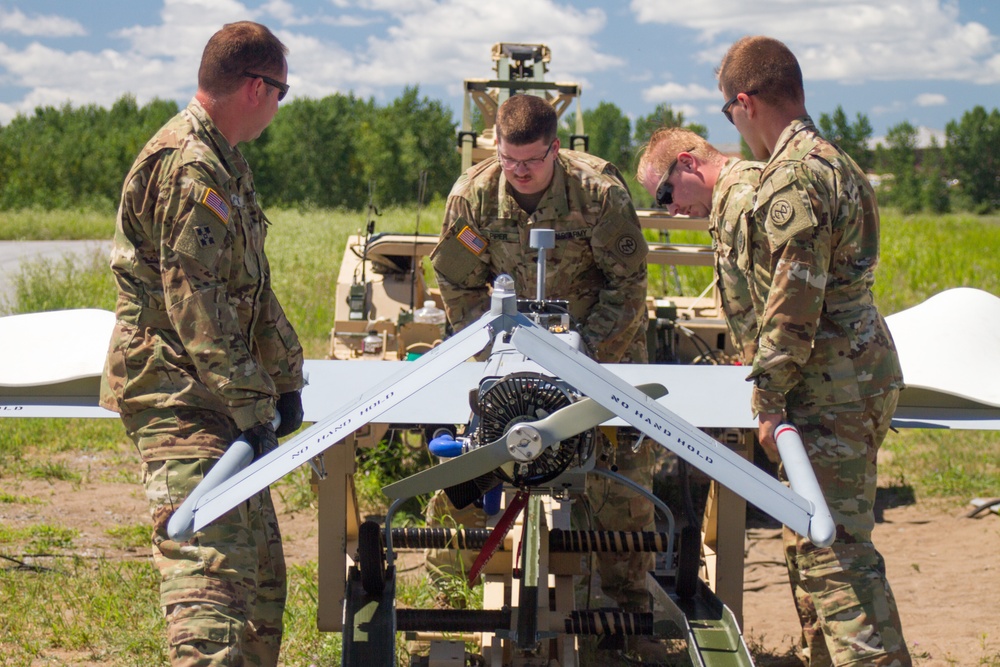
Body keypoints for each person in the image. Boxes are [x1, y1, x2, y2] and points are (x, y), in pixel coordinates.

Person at [100, 21, 304, 667]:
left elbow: (250, 290)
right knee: (211, 582)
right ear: (256, 87)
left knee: (263, 584)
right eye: (282, 92)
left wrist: (287, 378)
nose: (279, 106)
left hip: (216, 396)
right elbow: (194, 297)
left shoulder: (224, 161)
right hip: (175, 392)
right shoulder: (191, 164)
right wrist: (253, 401)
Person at [428, 93, 656, 631]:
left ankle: (627, 617)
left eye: (532, 161)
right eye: (510, 160)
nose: (520, 172)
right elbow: (456, 282)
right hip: (507, 356)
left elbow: (628, 289)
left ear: (556, 148)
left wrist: (579, 360)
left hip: (602, 350)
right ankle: (445, 601)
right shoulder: (473, 197)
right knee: (465, 461)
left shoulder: (598, 194)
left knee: (619, 483)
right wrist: (488, 352)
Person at [717, 36, 909, 666]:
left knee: (836, 559)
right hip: (849, 379)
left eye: (728, 113)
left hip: (831, 390)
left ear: (744, 103)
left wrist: (767, 398)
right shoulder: (834, 161)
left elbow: (793, 300)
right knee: (813, 544)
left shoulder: (794, 175)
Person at [635, 127, 763, 366]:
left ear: (687, 163)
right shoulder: (727, 202)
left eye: (665, 195)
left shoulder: (743, 199)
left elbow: (786, 303)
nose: (672, 210)